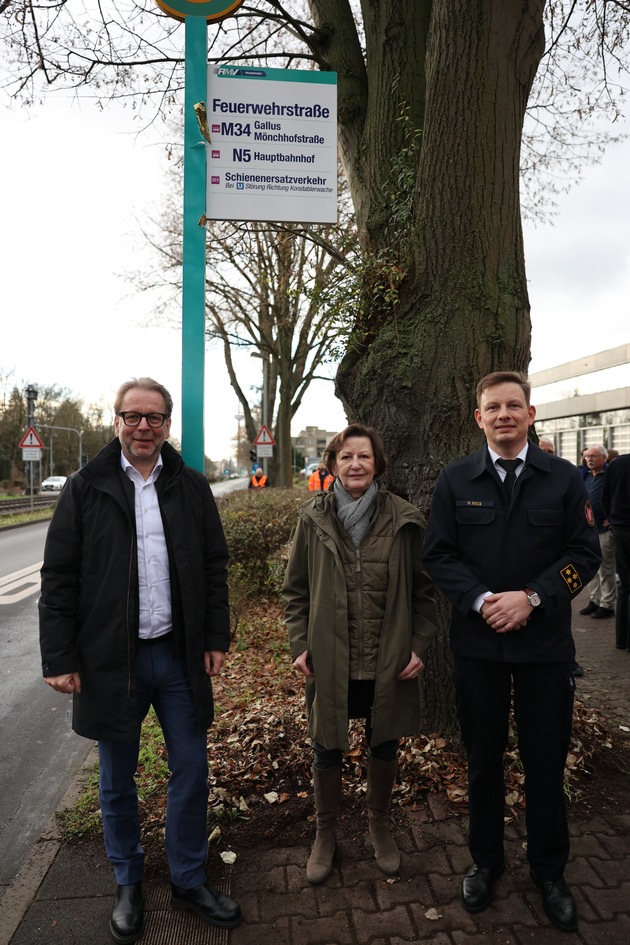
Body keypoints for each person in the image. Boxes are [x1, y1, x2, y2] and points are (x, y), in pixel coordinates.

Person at [39, 377, 242, 944]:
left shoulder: (191, 487)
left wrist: (215, 637)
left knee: (192, 771)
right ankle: (127, 881)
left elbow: (214, 567)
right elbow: (58, 579)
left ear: (167, 425)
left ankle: (186, 878)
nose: (144, 427)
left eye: (154, 418)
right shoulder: (85, 488)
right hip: (111, 662)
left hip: (177, 658)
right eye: (133, 417)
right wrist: (59, 656)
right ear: (117, 422)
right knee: (115, 781)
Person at [423, 371, 600, 934]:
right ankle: (486, 862)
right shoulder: (455, 481)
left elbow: (585, 554)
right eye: (492, 407)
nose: (503, 414)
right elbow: (439, 555)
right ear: (478, 418)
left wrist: (533, 598)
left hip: (545, 649)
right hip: (478, 650)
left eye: (513, 406)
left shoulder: (564, 479)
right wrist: (480, 601)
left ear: (530, 414)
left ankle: (550, 873)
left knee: (545, 764)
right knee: (483, 763)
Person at [283, 424, 437, 884]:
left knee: (384, 741)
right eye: (346, 457)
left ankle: (379, 826)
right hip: (330, 658)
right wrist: (299, 643)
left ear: (377, 465)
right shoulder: (312, 518)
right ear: (331, 466)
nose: (355, 464)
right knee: (326, 746)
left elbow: (425, 594)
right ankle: (325, 833)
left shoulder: (405, 519)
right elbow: (295, 591)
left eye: (364, 457)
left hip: (387, 657)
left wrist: (418, 645)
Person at [579, 445, 615, 620]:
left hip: (603, 529)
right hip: (587, 530)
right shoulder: (583, 475)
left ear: (604, 458)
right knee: (590, 568)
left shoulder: (611, 475)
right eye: (587, 456)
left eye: (593, 456)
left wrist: (613, 518)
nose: (589, 459)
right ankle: (595, 599)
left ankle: (607, 604)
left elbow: (619, 496)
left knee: (606, 568)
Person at [602, 452, 630, 651]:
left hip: (620, 529)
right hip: (621, 526)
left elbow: (605, 496)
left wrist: (612, 519)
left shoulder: (617, 464)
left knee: (625, 587)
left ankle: (622, 639)